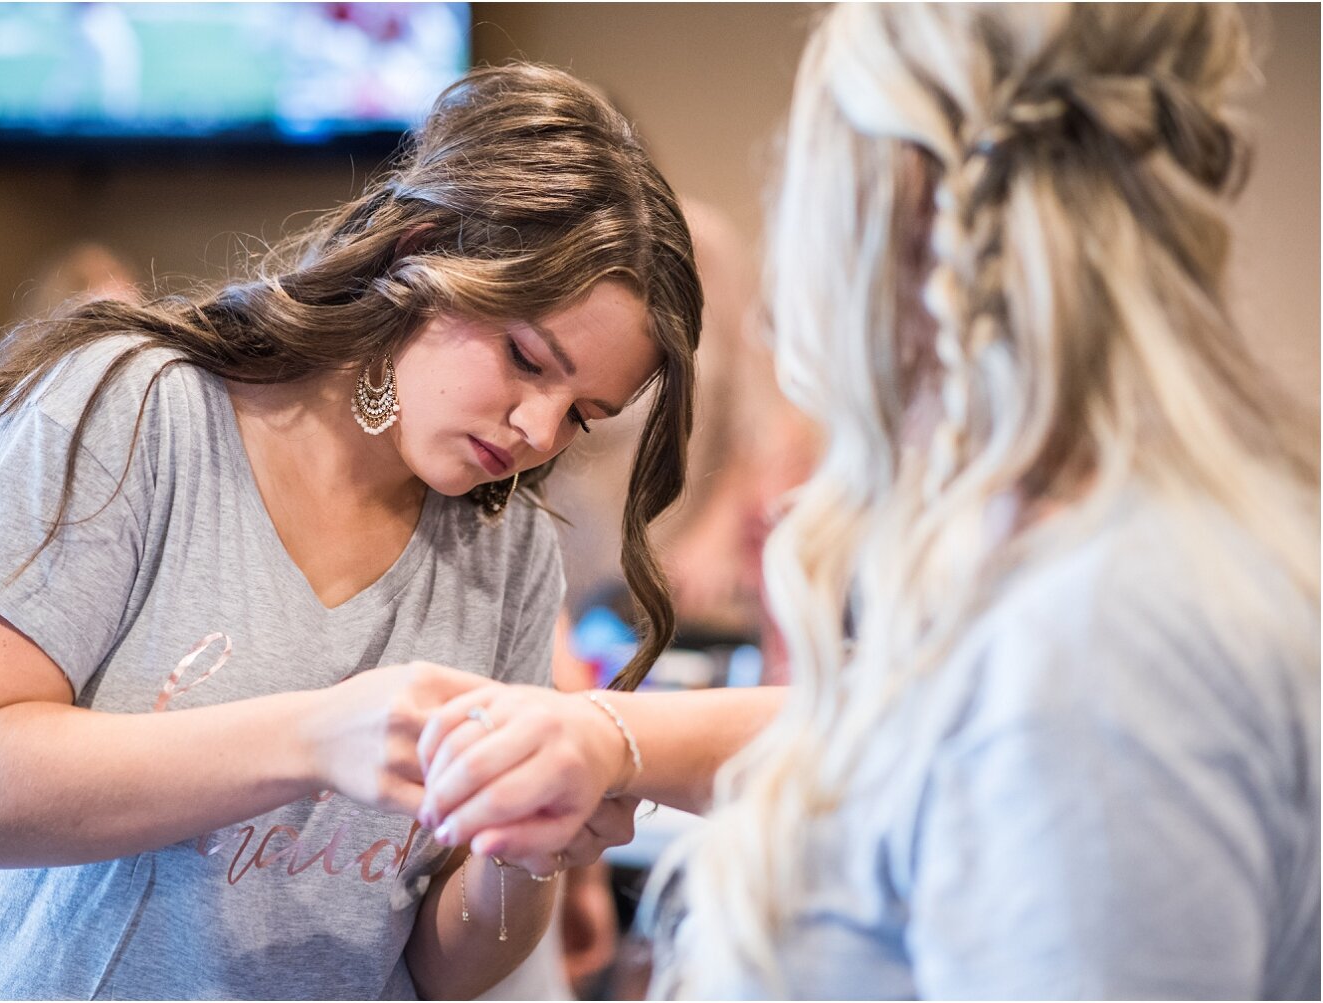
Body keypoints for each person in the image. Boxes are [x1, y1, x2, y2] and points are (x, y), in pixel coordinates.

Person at [416, 5, 1321, 999]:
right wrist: (610, 739)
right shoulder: (1076, 551)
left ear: (902, 200)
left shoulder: (1099, 649)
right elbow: (896, 742)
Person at [0, 63, 702, 1001]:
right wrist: (317, 735)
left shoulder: (510, 554)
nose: (537, 432)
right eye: (526, 358)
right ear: (425, 247)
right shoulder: (133, 409)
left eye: (581, 414)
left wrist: (525, 850)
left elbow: (446, 968)